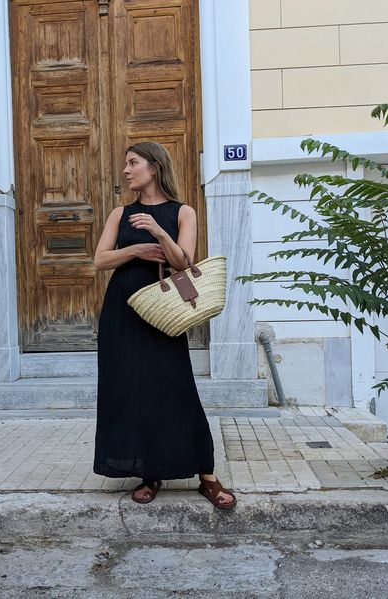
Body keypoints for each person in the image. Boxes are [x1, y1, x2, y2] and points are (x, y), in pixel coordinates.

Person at [92, 141, 236, 509]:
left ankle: (206, 474)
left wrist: (158, 233)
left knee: (177, 388)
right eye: (126, 164)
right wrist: (135, 250)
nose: (126, 170)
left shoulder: (183, 211)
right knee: (131, 391)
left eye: (133, 163)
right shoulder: (119, 213)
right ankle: (149, 472)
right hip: (123, 312)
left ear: (154, 168)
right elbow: (100, 260)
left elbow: (183, 264)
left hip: (163, 312)